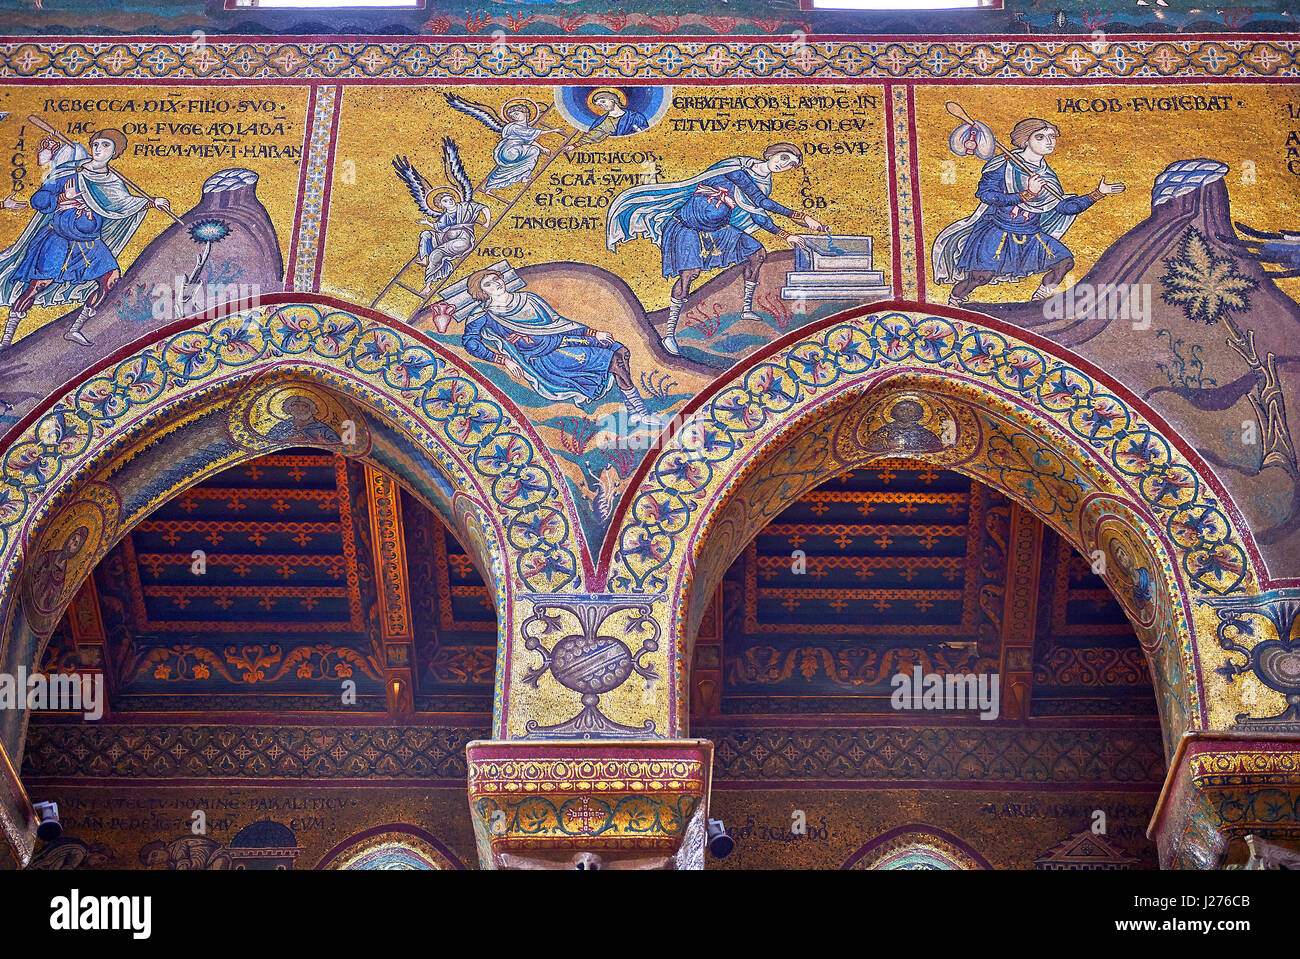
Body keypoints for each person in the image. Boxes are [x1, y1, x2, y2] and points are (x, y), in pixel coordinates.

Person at [607, 143, 824, 356]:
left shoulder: (763, 185)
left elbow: (758, 214)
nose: (783, 165)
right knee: (689, 275)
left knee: (757, 254)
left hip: (719, 230)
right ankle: (670, 334)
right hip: (687, 227)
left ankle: (746, 308)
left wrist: (786, 235)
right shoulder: (736, 168)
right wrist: (802, 217)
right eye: (784, 158)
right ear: (772, 154)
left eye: (790, 165)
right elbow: (761, 202)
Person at [0, 129, 171, 351]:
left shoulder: (113, 182)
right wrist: (63, 197)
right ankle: (7, 337)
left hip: (88, 241)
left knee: (110, 278)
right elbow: (39, 200)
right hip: (58, 238)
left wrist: (152, 203)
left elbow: (123, 204)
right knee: (38, 285)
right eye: (96, 144)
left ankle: (75, 328)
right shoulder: (69, 171)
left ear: (115, 152)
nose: (98, 149)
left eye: (106, 145)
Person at [931, 118, 1123, 306]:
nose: (1049, 142)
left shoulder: (1048, 175)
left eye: (1052, 136)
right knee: (981, 277)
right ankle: (955, 300)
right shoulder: (1004, 165)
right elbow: (986, 195)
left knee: (1064, 263)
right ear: (1025, 140)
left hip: (1031, 234)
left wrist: (1098, 194)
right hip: (997, 230)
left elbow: (1064, 207)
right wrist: (1026, 194)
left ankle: (1039, 300)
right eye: (1040, 137)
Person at [461, 268, 654, 424]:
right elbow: (471, 343)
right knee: (613, 362)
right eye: (488, 284)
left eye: (496, 279)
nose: (495, 285)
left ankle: (633, 411)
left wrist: (594, 334)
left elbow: (558, 324)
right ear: (482, 292)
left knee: (620, 350)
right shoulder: (484, 315)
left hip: (560, 340)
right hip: (545, 356)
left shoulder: (528, 299)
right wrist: (503, 359)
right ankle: (641, 412)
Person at [566, 88, 649, 150]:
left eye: (603, 102)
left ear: (612, 100)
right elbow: (593, 134)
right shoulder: (603, 121)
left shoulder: (635, 116)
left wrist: (639, 130)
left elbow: (647, 133)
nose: (603, 106)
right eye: (600, 105)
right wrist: (574, 145)